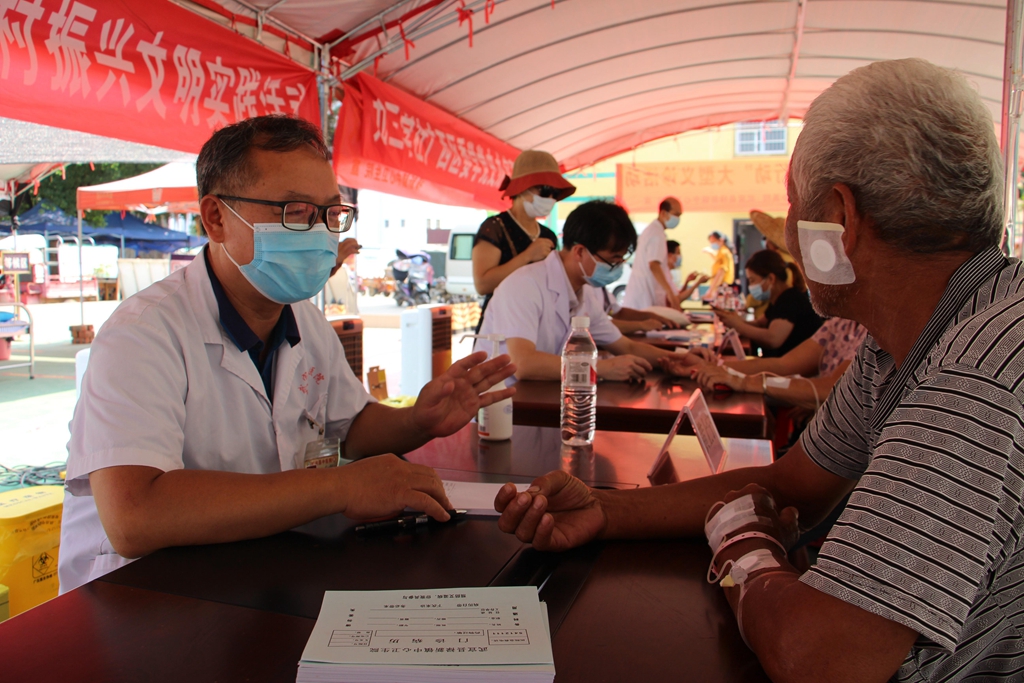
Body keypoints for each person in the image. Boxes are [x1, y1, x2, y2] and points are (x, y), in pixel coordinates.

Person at [494, 58, 1024, 681]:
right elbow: (797, 481)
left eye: (794, 205)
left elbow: (822, 656)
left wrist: (744, 545)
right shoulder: (908, 339)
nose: (792, 237)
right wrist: (606, 511)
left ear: (841, 220)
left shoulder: (975, 372)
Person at [58, 115, 516, 593]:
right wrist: (342, 486)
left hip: (256, 577)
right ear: (216, 218)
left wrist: (420, 419)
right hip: (141, 600)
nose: (320, 235)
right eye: (294, 212)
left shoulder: (303, 320)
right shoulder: (143, 334)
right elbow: (136, 515)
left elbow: (353, 428)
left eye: (330, 215)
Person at [478, 200, 707, 382]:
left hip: (540, 399)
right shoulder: (524, 285)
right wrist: (600, 368)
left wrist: (678, 358)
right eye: (612, 260)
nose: (616, 269)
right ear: (579, 251)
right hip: (502, 408)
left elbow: (625, 345)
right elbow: (523, 363)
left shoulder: (583, 292)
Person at [667, 317, 868, 411]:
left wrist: (747, 382)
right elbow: (784, 365)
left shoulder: (874, 330)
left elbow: (835, 390)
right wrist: (708, 367)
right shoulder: (842, 322)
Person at [471, 150, 575, 331]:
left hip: (539, 319)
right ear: (522, 187)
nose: (550, 198)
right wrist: (527, 256)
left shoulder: (548, 235)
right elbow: (482, 284)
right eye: (545, 190)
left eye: (555, 193)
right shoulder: (495, 227)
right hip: (501, 321)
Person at [716, 249, 822, 357]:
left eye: (752, 280)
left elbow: (773, 339)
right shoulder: (777, 300)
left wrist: (738, 325)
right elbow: (759, 324)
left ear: (771, 278)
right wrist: (733, 319)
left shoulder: (790, 300)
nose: (751, 286)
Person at [622, 197, 682, 310]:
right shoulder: (656, 234)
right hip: (643, 297)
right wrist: (670, 293)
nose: (678, 219)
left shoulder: (653, 231)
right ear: (664, 212)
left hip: (642, 295)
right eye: (676, 214)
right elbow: (654, 265)